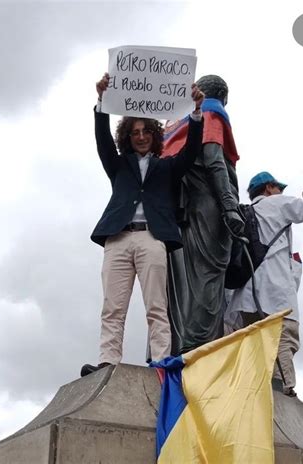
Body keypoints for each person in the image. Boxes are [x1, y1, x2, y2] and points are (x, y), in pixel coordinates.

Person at [80, 73, 204, 377]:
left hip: (152, 237)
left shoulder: (167, 167)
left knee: (156, 306)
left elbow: (190, 152)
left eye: (146, 130)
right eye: (134, 131)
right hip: (119, 239)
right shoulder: (117, 165)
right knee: (113, 306)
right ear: (128, 136)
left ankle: (162, 362)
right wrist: (101, 102)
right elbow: (102, 140)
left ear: (154, 134)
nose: (140, 136)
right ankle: (108, 360)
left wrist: (197, 113)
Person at [162, 74, 244, 355]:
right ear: (224, 97)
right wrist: (230, 206)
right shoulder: (212, 112)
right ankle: (201, 349)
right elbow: (214, 161)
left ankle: (180, 346)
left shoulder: (175, 124)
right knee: (208, 275)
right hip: (208, 207)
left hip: (177, 212)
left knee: (181, 281)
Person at [226, 171, 303, 396]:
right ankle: (284, 396)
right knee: (283, 338)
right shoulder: (278, 203)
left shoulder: (245, 212)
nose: (281, 191)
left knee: (254, 347)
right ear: (268, 188)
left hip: (247, 295)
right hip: (276, 292)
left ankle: (257, 393)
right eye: (278, 187)